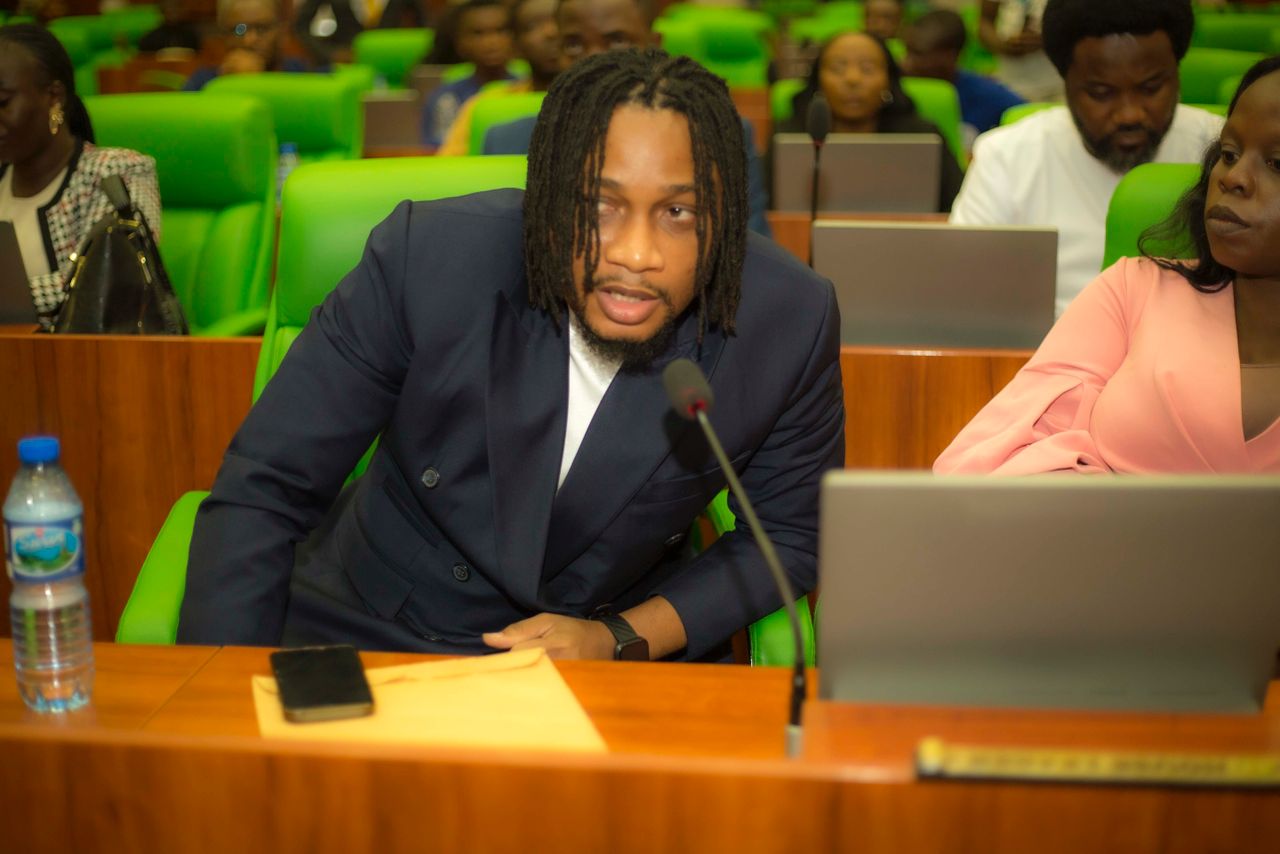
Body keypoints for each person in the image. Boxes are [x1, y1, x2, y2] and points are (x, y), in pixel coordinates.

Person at [176, 47, 845, 662]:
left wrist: (617, 637)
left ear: (724, 216)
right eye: (599, 206)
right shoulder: (428, 259)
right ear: (549, 199)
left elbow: (787, 537)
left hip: (597, 646)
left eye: (679, 214)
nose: (636, 254)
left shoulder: (785, 319)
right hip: (378, 624)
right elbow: (268, 485)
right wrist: (214, 697)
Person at [936, 56, 1280, 476]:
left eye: (1277, 164)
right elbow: (989, 458)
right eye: (1228, 153)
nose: (1233, 177)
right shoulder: (1134, 288)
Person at [950, 0, 1222, 317]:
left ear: (1176, 74)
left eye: (1151, 88)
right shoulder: (1006, 158)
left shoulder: (1222, 150)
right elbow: (966, 298)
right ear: (1065, 85)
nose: (1130, 114)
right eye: (1101, 93)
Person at [482, 0, 773, 237]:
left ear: (654, 43)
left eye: (616, 41)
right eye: (573, 44)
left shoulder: (718, 135)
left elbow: (747, 249)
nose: (593, 59)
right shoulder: (506, 140)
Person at [0, 23, 161, 325]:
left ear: (54, 97)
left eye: (3, 102)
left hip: (89, 361)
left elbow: (106, 282)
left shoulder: (115, 173)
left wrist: (12, 296)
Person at [778, 31, 965, 212]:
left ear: (888, 81)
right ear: (818, 81)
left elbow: (959, 209)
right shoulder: (789, 135)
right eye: (837, 68)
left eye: (867, 68)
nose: (853, 79)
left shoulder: (923, 135)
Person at [436, 0, 561, 156]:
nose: (551, 32)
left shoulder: (597, 103)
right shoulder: (482, 105)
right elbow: (450, 167)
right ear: (515, 42)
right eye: (532, 26)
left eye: (560, 23)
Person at [902, 9, 1024, 145]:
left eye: (918, 54)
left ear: (950, 56)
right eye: (907, 51)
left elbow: (1029, 120)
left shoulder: (989, 95)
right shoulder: (895, 90)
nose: (906, 63)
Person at [419, 0, 515, 148]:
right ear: (460, 42)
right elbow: (440, 153)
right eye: (478, 33)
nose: (491, 42)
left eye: (500, 31)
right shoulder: (446, 99)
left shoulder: (529, 89)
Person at [184, 0, 310, 91]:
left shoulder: (304, 76)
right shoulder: (203, 84)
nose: (248, 40)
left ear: (283, 31)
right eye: (239, 30)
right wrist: (230, 85)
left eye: (261, 28)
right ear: (224, 36)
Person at [978, 0, 1061, 102]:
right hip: (1008, 85)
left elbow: (1079, 23)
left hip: (1056, 87)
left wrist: (1047, 39)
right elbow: (984, 22)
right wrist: (1003, 46)